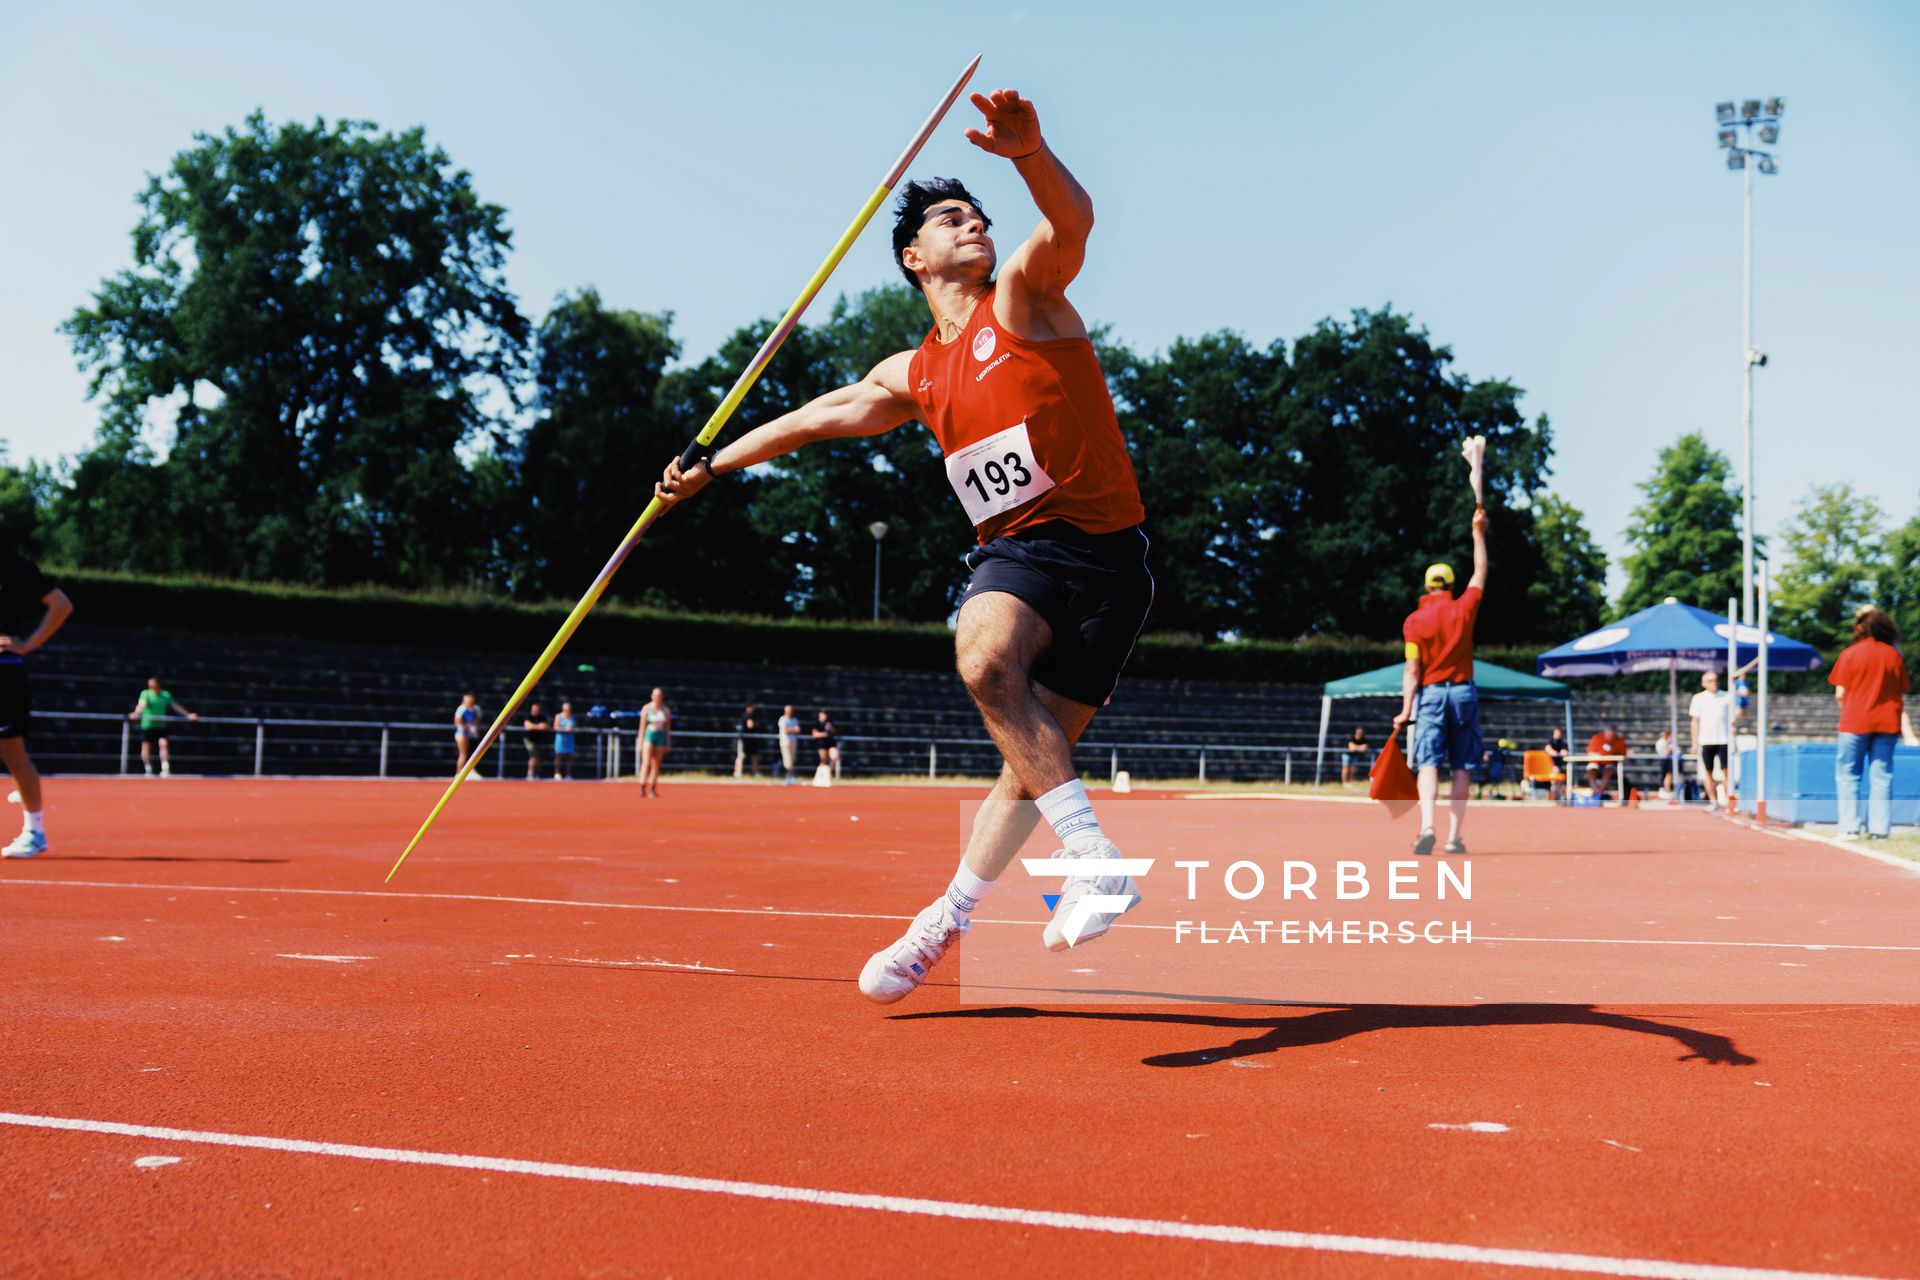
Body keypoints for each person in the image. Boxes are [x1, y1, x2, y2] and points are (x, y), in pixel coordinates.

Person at [654, 87, 1153, 1002]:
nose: (974, 223)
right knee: (982, 657)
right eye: (949, 218)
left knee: (1028, 764)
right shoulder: (914, 371)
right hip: (1020, 552)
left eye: (979, 214)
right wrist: (712, 463)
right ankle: (1090, 856)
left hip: (1113, 564)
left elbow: (1074, 218)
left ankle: (945, 918)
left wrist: (1031, 153)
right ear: (913, 257)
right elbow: (818, 417)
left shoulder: (1027, 295)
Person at [1393, 508, 1489, 856]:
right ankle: (1453, 837)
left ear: (1426, 586)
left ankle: (1427, 826)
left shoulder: (1413, 622)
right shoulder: (1464, 608)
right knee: (1462, 764)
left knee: (1428, 762)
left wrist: (1406, 710)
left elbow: (1411, 670)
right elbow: (1480, 573)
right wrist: (1478, 532)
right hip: (1463, 691)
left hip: (1431, 694)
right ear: (1450, 585)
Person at [0, 544, 73, 859]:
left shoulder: (15, 566)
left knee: (12, 751)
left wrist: (27, 644)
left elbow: (61, 605)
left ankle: (35, 831)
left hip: (4, 673)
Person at [1828, 606, 1914, 841]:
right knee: (1882, 777)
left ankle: (1849, 827)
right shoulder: (1894, 655)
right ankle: (1879, 830)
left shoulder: (1850, 653)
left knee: (1848, 774)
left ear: (1859, 628)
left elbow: (1839, 693)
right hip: (1887, 722)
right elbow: (1901, 690)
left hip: (1854, 721)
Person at [127, 676, 198, 777]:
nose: (150, 686)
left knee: (163, 744)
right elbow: (141, 705)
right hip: (148, 726)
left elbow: (176, 706)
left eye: (153, 684)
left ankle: (165, 768)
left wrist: (188, 715)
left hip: (161, 726)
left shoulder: (165, 695)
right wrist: (136, 713)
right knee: (146, 747)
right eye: (149, 684)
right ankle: (148, 769)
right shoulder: (146, 693)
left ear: (158, 684)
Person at [1689, 670, 1736, 808]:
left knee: (1727, 771)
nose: (1713, 683)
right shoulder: (1698, 698)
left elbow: (1736, 715)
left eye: (1715, 680)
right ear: (1703, 683)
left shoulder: (1727, 696)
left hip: (1724, 740)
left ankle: (1729, 802)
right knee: (1707, 772)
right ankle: (1713, 802)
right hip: (1706, 740)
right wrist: (1694, 742)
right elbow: (1695, 722)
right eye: (1710, 680)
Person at [637, 687, 670, 798]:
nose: (657, 697)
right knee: (646, 762)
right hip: (649, 735)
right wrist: (640, 742)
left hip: (660, 736)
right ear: (652, 696)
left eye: (659, 695)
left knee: (656, 763)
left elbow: (667, 729)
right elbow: (642, 727)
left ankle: (653, 787)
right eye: (656, 695)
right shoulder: (646, 708)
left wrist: (667, 742)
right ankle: (642, 785)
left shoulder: (665, 710)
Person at [1586, 723, 1629, 799]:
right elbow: (1590, 752)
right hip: (1596, 763)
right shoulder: (1597, 738)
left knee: (1608, 770)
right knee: (1591, 770)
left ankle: (1599, 792)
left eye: (1611, 733)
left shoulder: (1619, 740)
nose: (1609, 735)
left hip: (1610, 765)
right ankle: (1597, 791)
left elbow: (1623, 754)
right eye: (1608, 732)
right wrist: (1598, 756)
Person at [452, 693, 482, 774]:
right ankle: (458, 773)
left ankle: (469, 772)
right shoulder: (461, 708)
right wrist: (467, 726)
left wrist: (472, 725)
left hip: (472, 734)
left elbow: (478, 720)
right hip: (462, 733)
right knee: (463, 754)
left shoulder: (476, 709)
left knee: (472, 754)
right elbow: (457, 722)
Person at [522, 702, 551, 780]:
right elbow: (527, 725)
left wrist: (534, 727)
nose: (534, 711)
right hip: (529, 739)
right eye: (533, 710)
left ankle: (535, 773)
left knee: (537, 757)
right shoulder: (528, 716)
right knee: (533, 755)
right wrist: (538, 727)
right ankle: (530, 773)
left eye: (536, 710)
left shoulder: (542, 717)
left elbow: (546, 726)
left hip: (538, 740)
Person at [736, 702, 764, 778]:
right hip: (747, 739)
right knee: (743, 755)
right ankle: (738, 773)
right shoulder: (749, 715)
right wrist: (757, 725)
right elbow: (750, 725)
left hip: (748, 738)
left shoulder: (745, 715)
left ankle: (739, 773)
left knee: (752, 756)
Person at [1544, 726, 1571, 803]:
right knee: (1555, 774)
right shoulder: (1551, 741)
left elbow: (1565, 751)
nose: (1558, 734)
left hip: (1561, 765)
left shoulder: (1562, 742)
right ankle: (1554, 792)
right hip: (1551, 765)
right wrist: (1553, 752)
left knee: (1561, 780)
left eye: (1559, 733)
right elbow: (1548, 748)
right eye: (1556, 732)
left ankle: (1561, 795)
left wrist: (1564, 752)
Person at [552, 702, 578, 779]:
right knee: (558, 756)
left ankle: (568, 774)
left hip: (569, 739)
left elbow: (575, 726)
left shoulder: (572, 716)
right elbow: (555, 727)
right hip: (560, 738)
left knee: (569, 757)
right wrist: (564, 729)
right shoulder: (559, 716)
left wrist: (571, 727)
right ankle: (557, 773)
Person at [777, 704, 801, 784]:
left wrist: (792, 730)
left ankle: (790, 776)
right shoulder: (782, 719)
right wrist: (794, 730)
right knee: (787, 759)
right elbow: (786, 731)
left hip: (793, 741)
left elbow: (798, 730)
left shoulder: (794, 719)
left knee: (792, 758)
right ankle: (788, 776)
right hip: (785, 741)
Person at [812, 709, 841, 774]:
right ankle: (821, 775)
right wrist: (824, 734)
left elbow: (834, 732)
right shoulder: (817, 723)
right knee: (823, 760)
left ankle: (829, 773)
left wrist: (831, 728)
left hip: (830, 744)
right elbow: (814, 734)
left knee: (835, 756)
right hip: (821, 744)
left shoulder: (829, 722)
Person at [1653, 730, 1676, 799]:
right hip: (1666, 760)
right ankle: (1667, 790)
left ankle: (1665, 790)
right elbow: (1668, 751)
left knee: (1664, 775)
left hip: (1662, 759)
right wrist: (1671, 749)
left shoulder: (1658, 742)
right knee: (1668, 775)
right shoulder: (1663, 742)